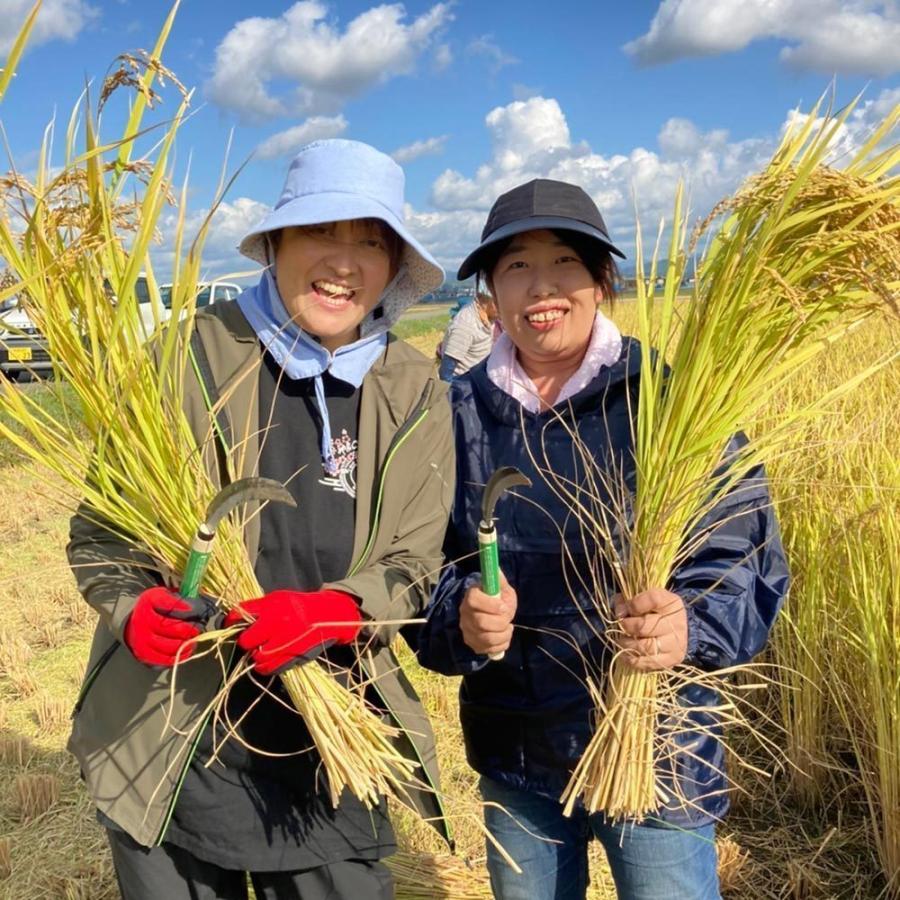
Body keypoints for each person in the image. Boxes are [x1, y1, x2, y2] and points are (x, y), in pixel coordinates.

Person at [67, 139, 455, 900]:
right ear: (276, 242)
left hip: (334, 736)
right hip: (175, 734)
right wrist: (132, 608)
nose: (345, 262)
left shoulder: (413, 387)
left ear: (394, 266)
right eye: (322, 232)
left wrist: (337, 611)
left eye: (370, 242)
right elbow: (101, 531)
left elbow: (415, 563)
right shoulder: (188, 356)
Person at [416, 178, 789, 900]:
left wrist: (690, 623)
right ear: (490, 291)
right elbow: (415, 567)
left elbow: (744, 550)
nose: (541, 288)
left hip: (658, 741)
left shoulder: (670, 398)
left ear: (601, 281)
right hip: (516, 748)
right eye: (517, 267)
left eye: (564, 263)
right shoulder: (452, 416)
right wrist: (461, 616)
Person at [437, 292, 497, 381]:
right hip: (464, 383)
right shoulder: (466, 325)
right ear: (488, 301)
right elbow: (446, 373)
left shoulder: (487, 316)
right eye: (499, 302)